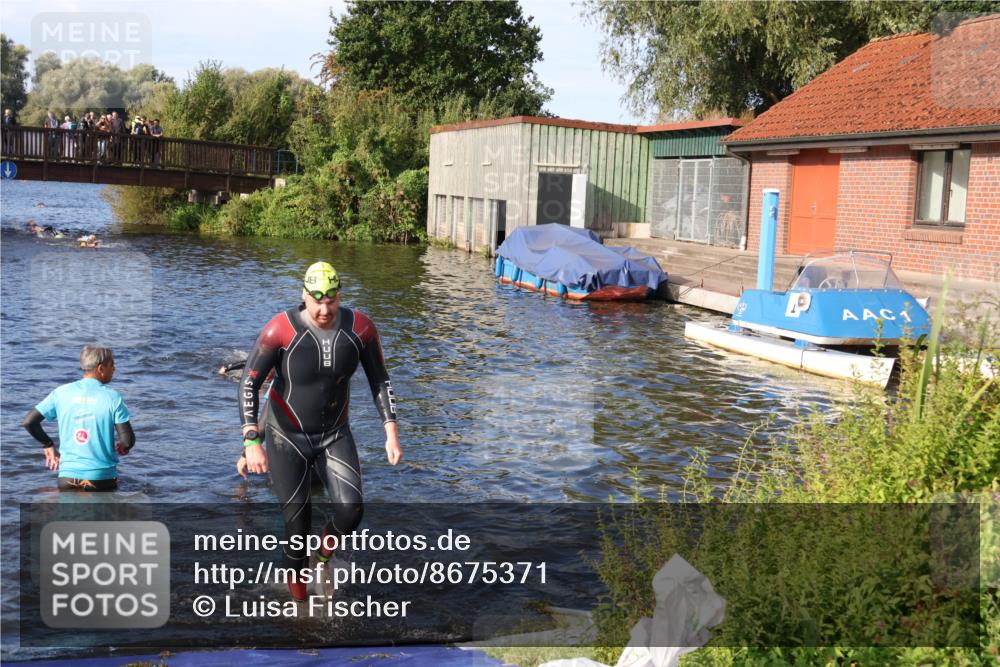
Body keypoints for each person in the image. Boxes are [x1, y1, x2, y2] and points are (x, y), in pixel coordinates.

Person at [238, 261, 402, 600]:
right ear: (304, 297)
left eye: (331, 300)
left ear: (340, 297)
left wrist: (391, 431)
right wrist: (252, 440)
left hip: (334, 434)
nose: (324, 309)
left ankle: (323, 557)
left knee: (351, 510)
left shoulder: (361, 329)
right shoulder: (279, 330)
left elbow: (380, 380)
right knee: (295, 532)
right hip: (286, 438)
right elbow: (248, 384)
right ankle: (301, 611)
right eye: (317, 301)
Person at [22, 346, 135, 491]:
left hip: (67, 478)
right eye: (112, 365)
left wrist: (48, 444)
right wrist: (123, 447)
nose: (114, 369)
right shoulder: (113, 397)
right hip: (101, 478)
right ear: (101, 368)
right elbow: (127, 440)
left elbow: (29, 422)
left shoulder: (60, 392)